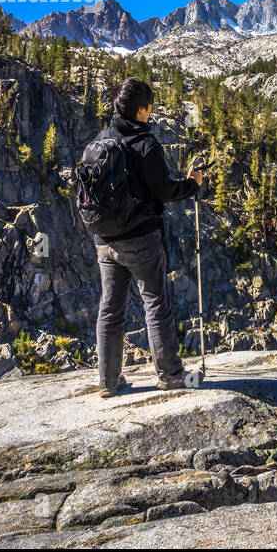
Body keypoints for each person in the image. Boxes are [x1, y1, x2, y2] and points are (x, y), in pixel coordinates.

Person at [91, 78, 202, 397]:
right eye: (149, 106)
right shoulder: (145, 144)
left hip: (104, 241)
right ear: (141, 109)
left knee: (110, 308)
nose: (151, 112)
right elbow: (164, 190)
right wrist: (192, 184)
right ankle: (170, 375)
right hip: (140, 240)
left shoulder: (102, 140)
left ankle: (108, 382)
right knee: (155, 303)